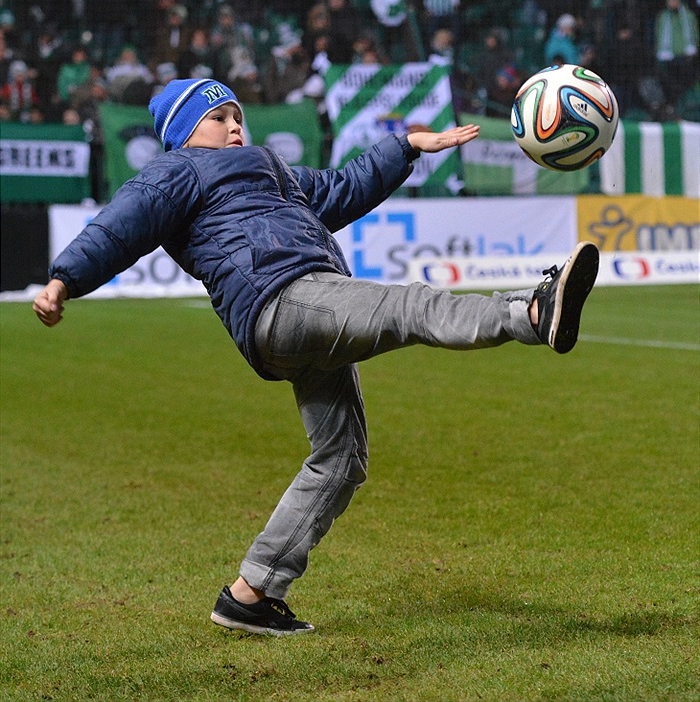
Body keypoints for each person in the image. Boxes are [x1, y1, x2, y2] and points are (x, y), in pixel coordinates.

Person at [33, 77, 600, 637]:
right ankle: (530, 312)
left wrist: (405, 147)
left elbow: (340, 189)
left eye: (237, 116)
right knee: (410, 306)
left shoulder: (269, 169)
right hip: (287, 299)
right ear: (183, 132)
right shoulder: (175, 171)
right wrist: (64, 278)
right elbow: (117, 227)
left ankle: (250, 594)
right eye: (218, 118)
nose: (235, 126)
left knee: (341, 456)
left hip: (293, 318)